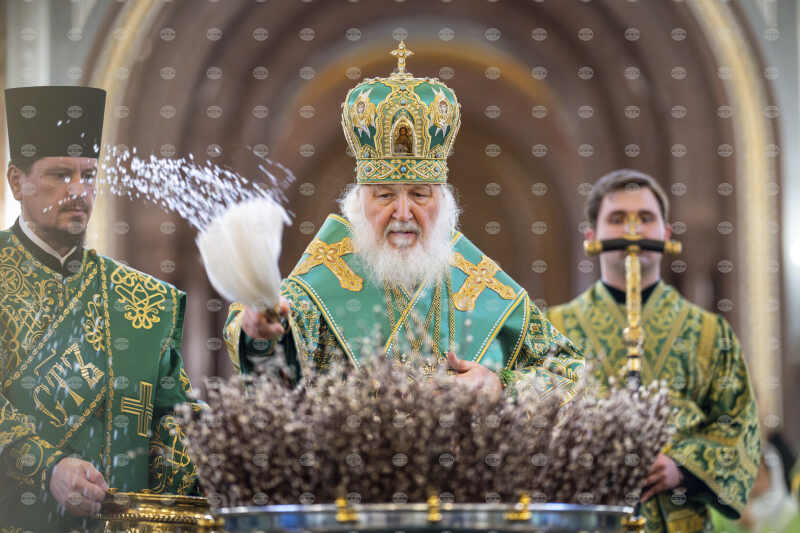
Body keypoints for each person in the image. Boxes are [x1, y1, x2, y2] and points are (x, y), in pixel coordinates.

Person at [224, 43, 583, 400]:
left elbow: (573, 374)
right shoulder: (320, 286)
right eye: (384, 195)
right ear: (358, 204)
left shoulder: (483, 287)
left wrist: (501, 386)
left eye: (419, 194)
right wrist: (255, 332)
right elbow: (267, 355)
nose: (402, 213)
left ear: (444, 203)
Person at [1, 86, 198, 532]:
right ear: (16, 181)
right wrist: (48, 467)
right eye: (60, 175)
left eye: (88, 175)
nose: (78, 191)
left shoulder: (141, 298)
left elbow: (173, 422)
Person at [545, 169, 760, 533]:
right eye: (618, 219)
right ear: (591, 236)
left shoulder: (710, 333)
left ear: (666, 233)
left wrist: (682, 467)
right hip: (585, 517)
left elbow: (740, 427)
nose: (633, 230)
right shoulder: (553, 328)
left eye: (645, 218)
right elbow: (532, 419)